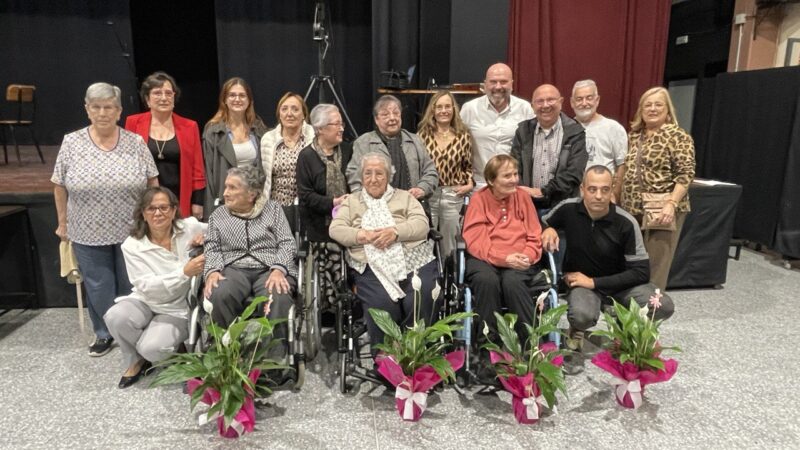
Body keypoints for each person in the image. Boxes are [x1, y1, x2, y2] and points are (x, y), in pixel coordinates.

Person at [52, 82, 159, 357]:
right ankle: (103, 333)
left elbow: (152, 181)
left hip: (131, 229)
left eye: (108, 107)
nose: (102, 112)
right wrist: (62, 222)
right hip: (87, 229)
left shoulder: (135, 142)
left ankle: (132, 330)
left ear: (119, 111)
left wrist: (153, 219)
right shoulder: (71, 142)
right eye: (96, 107)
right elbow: (59, 184)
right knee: (99, 286)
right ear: (87, 110)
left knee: (130, 284)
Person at [541, 166, 674, 355]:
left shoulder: (626, 222)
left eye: (605, 189)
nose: (598, 196)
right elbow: (541, 221)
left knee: (664, 305)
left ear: (612, 190)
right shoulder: (568, 208)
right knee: (581, 315)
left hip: (621, 286)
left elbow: (642, 272)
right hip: (582, 285)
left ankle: (625, 326)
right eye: (592, 189)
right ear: (582, 189)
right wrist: (548, 228)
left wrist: (595, 282)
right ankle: (577, 329)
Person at [330, 152, 437, 351]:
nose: (373, 179)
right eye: (368, 174)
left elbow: (422, 224)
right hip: (371, 265)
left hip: (413, 260)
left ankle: (419, 357)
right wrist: (363, 235)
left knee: (421, 297)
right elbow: (336, 229)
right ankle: (388, 362)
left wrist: (395, 232)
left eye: (379, 173)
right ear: (361, 178)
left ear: (389, 176)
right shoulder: (352, 202)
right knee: (382, 305)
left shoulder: (405, 197)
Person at [104, 187, 206, 388]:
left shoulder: (190, 227)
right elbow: (147, 286)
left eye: (163, 207)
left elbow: (221, 228)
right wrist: (183, 272)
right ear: (142, 213)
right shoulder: (132, 245)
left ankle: (161, 349)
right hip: (147, 299)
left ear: (174, 209)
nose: (158, 213)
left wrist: (206, 238)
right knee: (115, 317)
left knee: (152, 348)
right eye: (151, 209)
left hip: (177, 307)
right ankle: (137, 359)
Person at [203, 166, 297, 359]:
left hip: (269, 268)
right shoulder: (218, 215)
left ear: (251, 194)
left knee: (277, 294)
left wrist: (279, 269)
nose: (225, 193)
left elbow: (287, 242)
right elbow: (211, 247)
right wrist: (212, 271)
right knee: (219, 292)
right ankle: (226, 356)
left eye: (232, 188)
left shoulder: (273, 210)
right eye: (226, 187)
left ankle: (273, 361)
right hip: (233, 269)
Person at [462, 154, 543, 345]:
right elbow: (476, 241)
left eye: (515, 174)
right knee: (486, 280)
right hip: (485, 257)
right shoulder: (478, 200)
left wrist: (527, 256)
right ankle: (488, 343)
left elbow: (534, 234)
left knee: (513, 282)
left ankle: (528, 344)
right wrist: (504, 258)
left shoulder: (523, 197)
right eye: (507, 176)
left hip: (520, 257)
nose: (514, 179)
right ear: (491, 180)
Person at [620, 87, 695, 291]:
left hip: (662, 210)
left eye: (658, 104)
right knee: (633, 261)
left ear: (667, 109)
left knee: (656, 264)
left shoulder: (678, 136)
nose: (652, 109)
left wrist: (671, 205)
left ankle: (649, 312)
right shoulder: (634, 136)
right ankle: (630, 304)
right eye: (648, 104)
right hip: (632, 209)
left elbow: (686, 174)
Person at [125, 72, 206, 219]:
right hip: (145, 199)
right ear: (147, 99)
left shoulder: (189, 126)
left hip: (179, 198)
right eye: (157, 93)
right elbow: (127, 164)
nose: (164, 98)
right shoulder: (133, 123)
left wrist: (198, 202)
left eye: (168, 93)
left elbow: (197, 169)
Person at [296, 103, 352, 305]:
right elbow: (306, 196)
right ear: (320, 129)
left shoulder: (348, 150)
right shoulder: (306, 157)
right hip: (319, 227)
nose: (341, 128)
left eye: (341, 123)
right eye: (336, 124)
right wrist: (333, 202)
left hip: (349, 223)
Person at [510, 83, 587, 211]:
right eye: (540, 101)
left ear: (561, 102)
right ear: (533, 106)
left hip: (563, 207)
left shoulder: (575, 132)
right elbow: (514, 166)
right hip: (527, 206)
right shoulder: (523, 131)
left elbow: (574, 173)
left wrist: (543, 191)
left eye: (550, 100)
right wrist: (525, 193)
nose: (545, 105)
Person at [346, 95, 438, 200]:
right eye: (385, 114)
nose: (392, 118)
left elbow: (430, 171)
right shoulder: (363, 143)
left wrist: (422, 189)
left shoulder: (414, 140)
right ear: (376, 119)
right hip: (375, 206)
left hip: (412, 204)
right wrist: (364, 199)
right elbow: (353, 174)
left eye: (396, 113)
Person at [417, 90, 474, 258]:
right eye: (439, 107)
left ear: (454, 109)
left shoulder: (463, 135)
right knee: (425, 240)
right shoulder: (422, 135)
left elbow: (468, 166)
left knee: (450, 246)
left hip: (453, 195)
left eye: (447, 106)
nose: (444, 111)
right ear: (432, 110)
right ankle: (428, 280)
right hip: (429, 195)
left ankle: (450, 281)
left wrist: (469, 185)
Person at [202, 77, 269, 218]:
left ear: (249, 101)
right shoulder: (213, 133)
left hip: (254, 200)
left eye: (242, 95)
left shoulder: (260, 130)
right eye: (232, 95)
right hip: (226, 200)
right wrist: (210, 212)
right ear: (224, 100)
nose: (237, 99)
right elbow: (209, 174)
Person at [460, 63, 534, 188]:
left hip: (513, 185)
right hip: (479, 185)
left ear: (512, 83)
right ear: (485, 84)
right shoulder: (470, 109)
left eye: (503, 82)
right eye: (493, 82)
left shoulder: (525, 108)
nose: (498, 86)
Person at [570, 79, 628, 202]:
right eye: (579, 99)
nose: (584, 103)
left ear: (597, 100)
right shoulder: (566, 128)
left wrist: (615, 195)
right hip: (573, 199)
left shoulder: (613, 128)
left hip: (603, 198)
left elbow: (621, 165)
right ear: (572, 102)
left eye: (589, 98)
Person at [260, 92, 315, 206]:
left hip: (308, 205)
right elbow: (264, 179)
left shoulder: (313, 136)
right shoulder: (268, 139)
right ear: (279, 114)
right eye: (284, 109)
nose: (289, 114)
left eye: (295, 109)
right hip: (274, 207)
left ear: (303, 114)